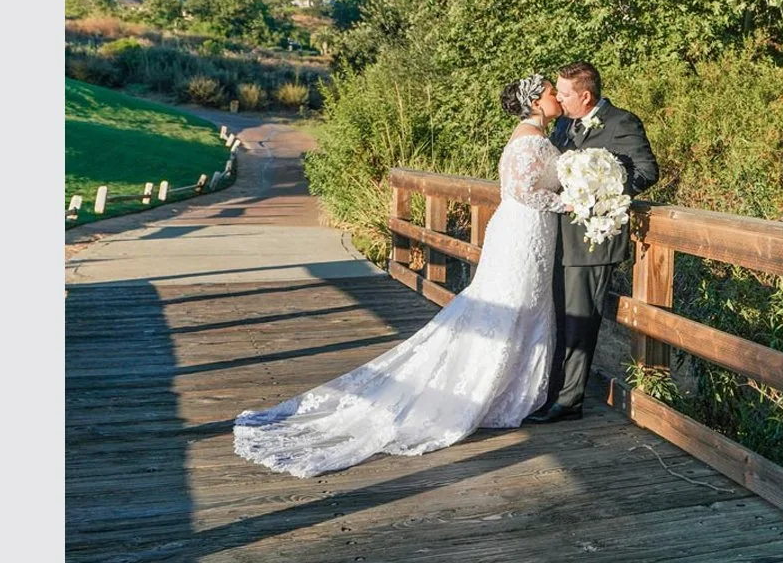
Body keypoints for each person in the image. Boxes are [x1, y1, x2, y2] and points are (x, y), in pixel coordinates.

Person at [232, 75, 567, 478]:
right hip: (524, 231)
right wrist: (575, 200)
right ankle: (492, 395)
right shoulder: (530, 140)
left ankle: (509, 394)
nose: (557, 98)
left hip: (528, 232)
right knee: (511, 306)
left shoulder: (532, 135)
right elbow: (526, 192)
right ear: (534, 102)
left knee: (522, 307)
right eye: (551, 93)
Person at [523, 61, 659, 424]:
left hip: (592, 239)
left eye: (564, 94)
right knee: (558, 318)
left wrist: (599, 194)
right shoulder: (564, 125)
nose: (559, 100)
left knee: (581, 321)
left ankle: (569, 402)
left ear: (585, 95)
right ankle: (550, 392)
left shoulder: (622, 123)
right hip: (557, 238)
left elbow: (646, 172)